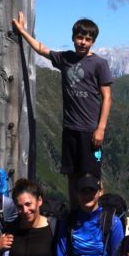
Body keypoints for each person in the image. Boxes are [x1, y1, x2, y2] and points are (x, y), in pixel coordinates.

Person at [12, 11, 112, 182]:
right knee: (71, 175)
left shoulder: (99, 64)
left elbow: (107, 97)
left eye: (88, 39)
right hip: (69, 128)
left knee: (93, 178)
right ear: (73, 38)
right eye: (80, 37)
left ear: (93, 42)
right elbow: (42, 49)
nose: (83, 42)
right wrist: (22, 32)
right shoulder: (66, 58)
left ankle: (99, 201)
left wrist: (101, 128)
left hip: (90, 130)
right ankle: (74, 202)